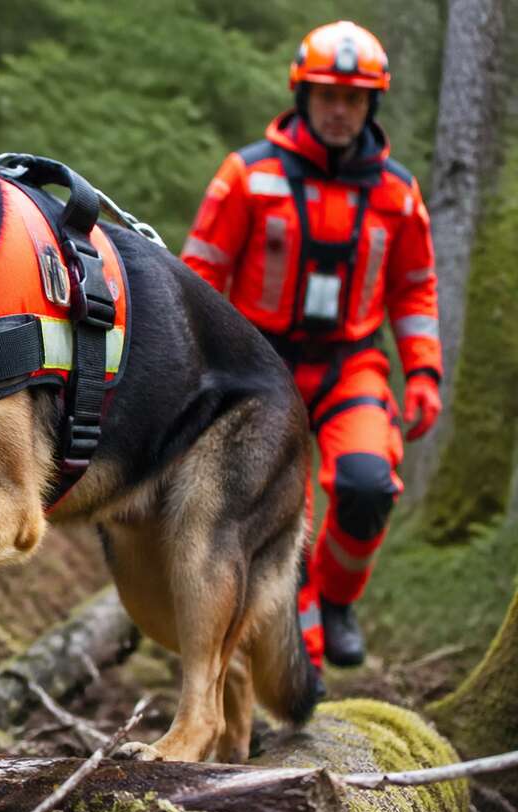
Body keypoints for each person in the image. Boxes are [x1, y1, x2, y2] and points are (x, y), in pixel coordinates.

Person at [180, 21, 442, 669]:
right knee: (271, 514)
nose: (338, 110)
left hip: (351, 365)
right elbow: (197, 278)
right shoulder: (248, 176)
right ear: (303, 94)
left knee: (366, 483)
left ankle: (337, 600)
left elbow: (414, 289)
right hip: (258, 367)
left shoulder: (397, 194)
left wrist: (424, 372)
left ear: (370, 105)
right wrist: (195, 368)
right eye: (327, 94)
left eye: (353, 98)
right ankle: (300, 666)